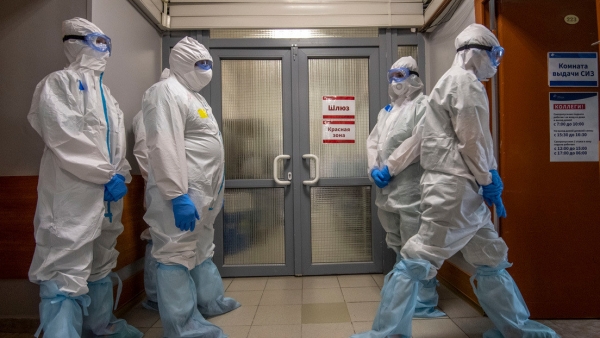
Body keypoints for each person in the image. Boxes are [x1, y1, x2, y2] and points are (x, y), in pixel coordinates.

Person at [353, 24, 558, 338]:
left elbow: (421, 137)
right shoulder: (465, 84)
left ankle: (516, 328)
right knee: (417, 257)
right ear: (476, 53)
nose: (496, 62)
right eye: (495, 54)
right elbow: (473, 141)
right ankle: (388, 333)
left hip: (464, 192)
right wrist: (488, 179)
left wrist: (484, 183)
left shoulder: (447, 84)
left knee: (491, 256)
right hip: (454, 190)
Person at [27, 17, 142, 338]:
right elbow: (63, 136)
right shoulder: (59, 83)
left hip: (107, 197)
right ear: (74, 43)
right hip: (72, 195)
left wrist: (119, 176)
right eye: (97, 41)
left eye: (107, 42)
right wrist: (105, 175)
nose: (104, 49)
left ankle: (100, 327)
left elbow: (116, 145)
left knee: (101, 260)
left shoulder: (107, 95)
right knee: (66, 266)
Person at [142, 37, 240, 338]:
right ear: (183, 63)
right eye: (201, 64)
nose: (207, 70)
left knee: (198, 247)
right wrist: (176, 194)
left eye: (209, 63)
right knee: (175, 252)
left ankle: (207, 303)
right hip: (183, 193)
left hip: (203, 191)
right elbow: (163, 145)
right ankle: (184, 328)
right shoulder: (165, 92)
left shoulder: (194, 97)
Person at [366, 56, 445, 318]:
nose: (394, 81)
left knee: (415, 242)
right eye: (391, 76)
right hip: (387, 188)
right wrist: (374, 168)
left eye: (399, 75)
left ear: (413, 76)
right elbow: (374, 142)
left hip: (409, 185)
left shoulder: (423, 105)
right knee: (396, 240)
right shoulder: (387, 111)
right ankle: (402, 292)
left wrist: (390, 168)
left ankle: (421, 300)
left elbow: (417, 141)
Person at [132, 68, 170, 312]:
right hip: (159, 189)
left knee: (174, 243)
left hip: (180, 190)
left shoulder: (174, 115)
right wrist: (161, 183)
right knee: (157, 239)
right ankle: (156, 296)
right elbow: (145, 155)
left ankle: (173, 295)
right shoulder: (146, 115)